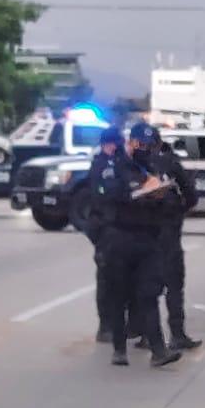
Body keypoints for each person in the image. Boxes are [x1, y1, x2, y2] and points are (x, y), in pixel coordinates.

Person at [97, 122, 181, 368]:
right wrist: (140, 192)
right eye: (140, 144)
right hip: (119, 239)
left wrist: (160, 194)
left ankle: (159, 351)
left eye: (149, 145)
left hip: (147, 241)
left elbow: (171, 204)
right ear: (131, 143)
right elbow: (109, 197)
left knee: (149, 295)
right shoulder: (114, 166)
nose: (144, 149)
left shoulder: (152, 168)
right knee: (118, 295)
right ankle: (119, 349)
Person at [147, 136, 201, 351]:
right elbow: (191, 196)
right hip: (168, 234)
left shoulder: (133, 165)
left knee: (147, 287)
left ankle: (146, 335)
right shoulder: (170, 163)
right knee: (174, 285)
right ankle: (177, 334)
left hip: (145, 235)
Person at [86, 130, 124, 343]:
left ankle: (123, 324)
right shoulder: (102, 166)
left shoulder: (118, 164)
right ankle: (106, 325)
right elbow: (103, 197)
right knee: (107, 279)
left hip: (119, 228)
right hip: (106, 229)